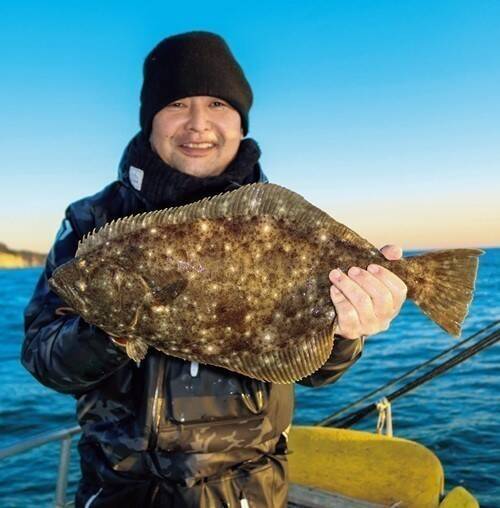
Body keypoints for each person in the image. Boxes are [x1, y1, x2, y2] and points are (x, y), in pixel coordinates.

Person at [21, 31, 407, 507]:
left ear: (241, 121)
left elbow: (316, 374)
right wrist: (110, 330)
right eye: (177, 103)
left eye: (218, 104)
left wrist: (347, 331)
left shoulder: (277, 228)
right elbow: (45, 361)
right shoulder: (92, 221)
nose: (198, 123)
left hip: (248, 492)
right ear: (151, 119)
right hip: (119, 491)